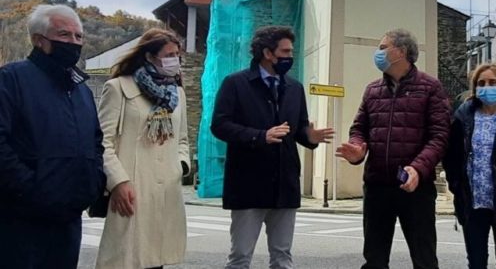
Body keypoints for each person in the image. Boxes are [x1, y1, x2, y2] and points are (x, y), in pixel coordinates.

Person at [211, 25, 334, 269]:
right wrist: (259, 136)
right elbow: (220, 125)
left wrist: (311, 137)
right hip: (248, 184)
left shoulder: (295, 88)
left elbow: (297, 129)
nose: (291, 56)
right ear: (268, 53)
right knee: (240, 258)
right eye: (286, 51)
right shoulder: (235, 83)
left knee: (282, 257)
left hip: (285, 185)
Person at [0, 4, 105, 269]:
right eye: (64, 35)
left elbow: (95, 140)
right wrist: (31, 188)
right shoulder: (10, 79)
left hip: (68, 217)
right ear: (39, 40)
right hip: (20, 218)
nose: (73, 42)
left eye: (78, 36)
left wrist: (93, 182)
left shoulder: (80, 88)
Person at [336, 28, 450, 269]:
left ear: (401, 52)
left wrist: (418, 169)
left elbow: (439, 136)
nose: (378, 53)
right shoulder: (372, 90)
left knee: (424, 258)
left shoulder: (431, 87)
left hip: (416, 189)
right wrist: (357, 150)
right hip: (377, 186)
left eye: (382, 47)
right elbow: (359, 129)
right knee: (374, 259)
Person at [95, 28, 190, 269]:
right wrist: (117, 182)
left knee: (156, 259)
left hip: (166, 190)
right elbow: (101, 142)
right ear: (149, 56)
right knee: (125, 259)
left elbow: (182, 139)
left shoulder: (176, 93)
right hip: (130, 189)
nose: (175, 61)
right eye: (169, 55)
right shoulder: (118, 88)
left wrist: (180, 166)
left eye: (177, 55)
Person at [443, 62, 496, 269]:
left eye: (493, 82)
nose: (487, 87)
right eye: (481, 83)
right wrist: (456, 185)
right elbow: (452, 154)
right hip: (473, 201)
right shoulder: (464, 115)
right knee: (476, 261)